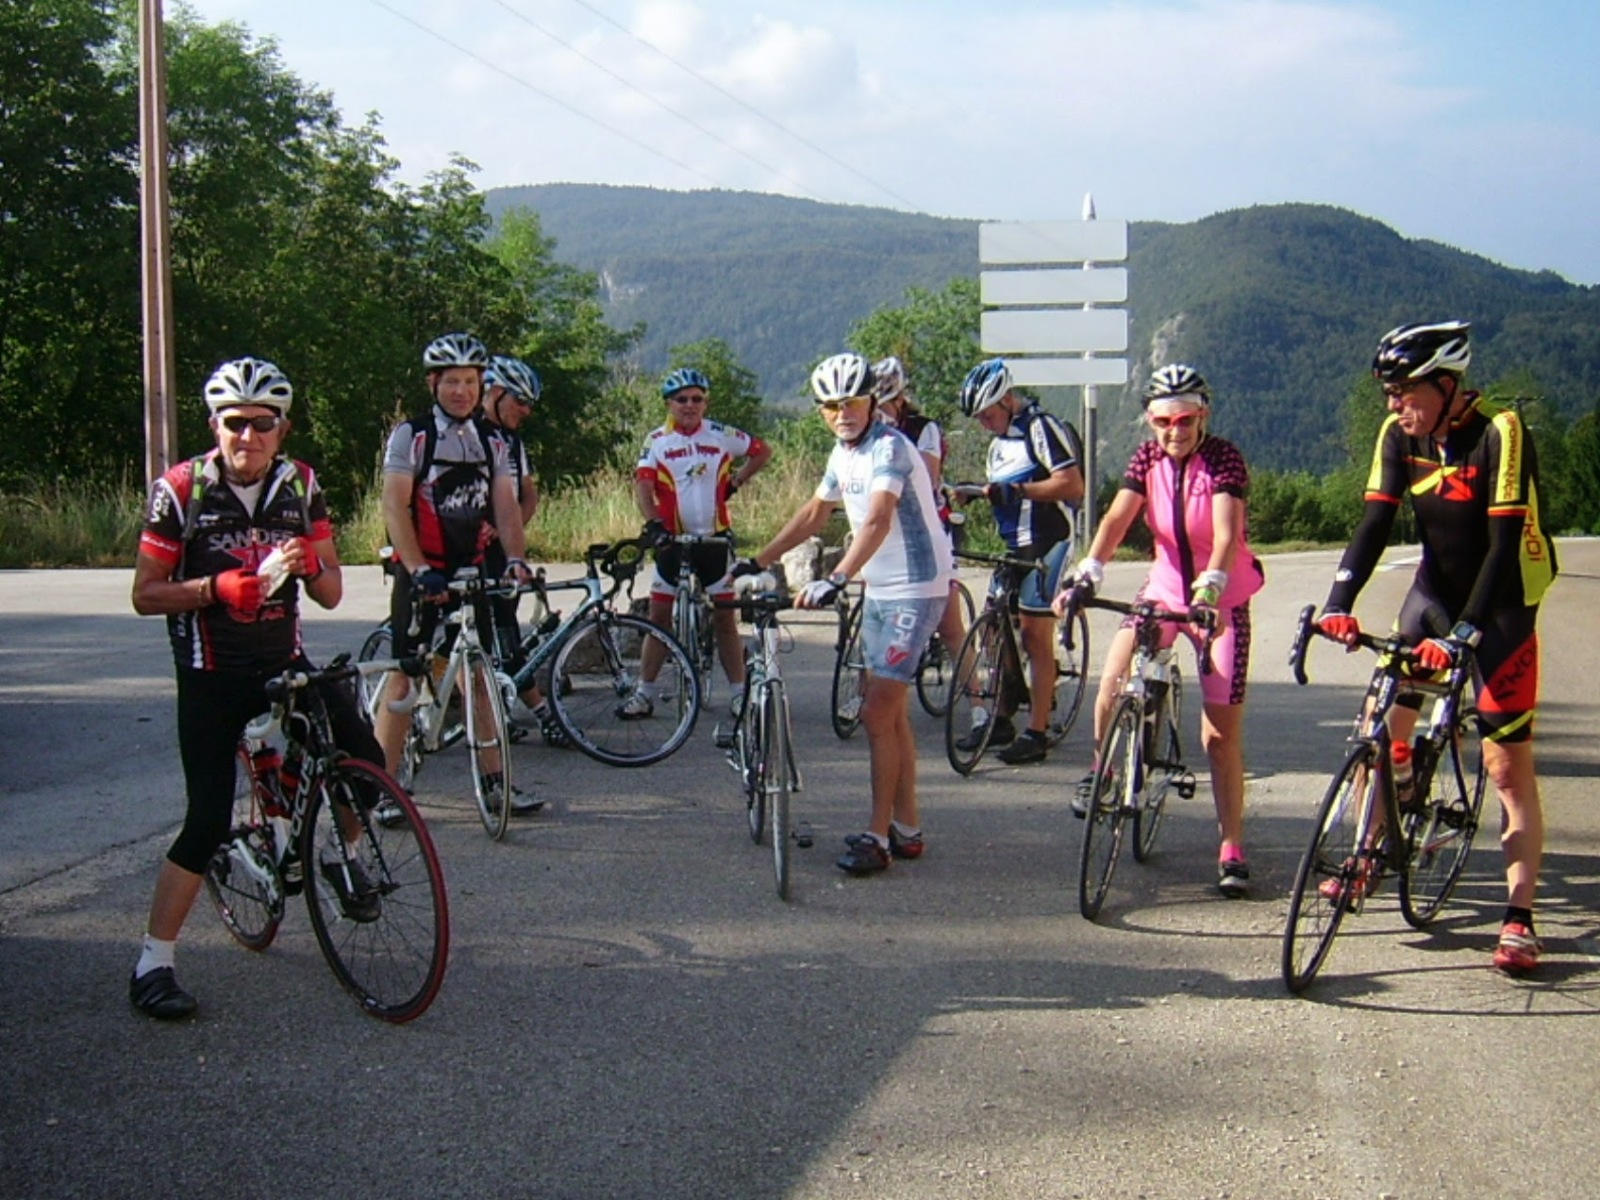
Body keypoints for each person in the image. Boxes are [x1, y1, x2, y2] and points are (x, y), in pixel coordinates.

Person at [129, 358, 380, 1018]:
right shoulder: (180, 489)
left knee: (365, 762)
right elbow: (145, 594)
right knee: (207, 820)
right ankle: (153, 963)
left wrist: (311, 563)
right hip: (211, 674)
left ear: (282, 428)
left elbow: (330, 593)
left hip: (284, 662)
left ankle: (343, 858)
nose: (249, 436)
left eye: (262, 423)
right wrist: (214, 588)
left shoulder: (301, 484)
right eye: (235, 422)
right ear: (215, 425)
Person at [1315, 320, 1557, 973]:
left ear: (1447, 384)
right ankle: (1369, 851)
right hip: (1433, 591)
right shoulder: (1399, 434)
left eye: (1405, 390)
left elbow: (1503, 546)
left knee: (1506, 767)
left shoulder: (1500, 431)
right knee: (1379, 724)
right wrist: (1338, 604)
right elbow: (1375, 523)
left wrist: (1464, 636)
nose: (1394, 403)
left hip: (1503, 602)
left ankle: (1519, 918)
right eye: (1389, 392)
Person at [732, 352, 952, 875]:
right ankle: (907, 827)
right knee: (891, 713)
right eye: (831, 406)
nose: (842, 413)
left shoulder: (890, 447)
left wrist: (836, 577)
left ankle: (877, 838)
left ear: (872, 401)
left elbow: (877, 519)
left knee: (876, 712)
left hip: (916, 587)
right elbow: (816, 512)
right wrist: (758, 559)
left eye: (851, 402)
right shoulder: (843, 451)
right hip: (880, 587)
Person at [1054, 365, 1265, 898]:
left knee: (1219, 736)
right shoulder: (1147, 458)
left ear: (1203, 415)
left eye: (1185, 419)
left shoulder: (1223, 458)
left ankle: (1232, 847)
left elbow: (1226, 535)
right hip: (1165, 590)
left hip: (1220, 600)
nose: (1175, 431)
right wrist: (1088, 571)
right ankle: (1103, 772)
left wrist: (1210, 591)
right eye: (1163, 421)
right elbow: (1115, 521)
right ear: (1151, 421)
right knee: (1112, 681)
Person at [374, 333, 535, 812]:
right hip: (423, 571)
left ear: (481, 384)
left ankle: (496, 784)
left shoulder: (493, 440)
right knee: (404, 680)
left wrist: (516, 559)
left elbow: (507, 506)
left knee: (478, 676)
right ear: (433, 384)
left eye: (469, 381)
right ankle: (382, 789)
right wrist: (418, 569)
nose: (461, 391)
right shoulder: (413, 436)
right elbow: (395, 505)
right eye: (451, 382)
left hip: (471, 570)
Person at [955, 357, 1085, 765]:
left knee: (1034, 635)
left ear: (1007, 399)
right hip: (1014, 545)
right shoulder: (998, 444)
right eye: (978, 417)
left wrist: (1019, 491)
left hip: (1050, 540)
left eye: (987, 414)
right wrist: (976, 492)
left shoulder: (1040, 428)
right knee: (992, 625)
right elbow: (1004, 491)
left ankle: (1037, 732)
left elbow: (1072, 484)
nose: (983, 423)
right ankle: (1003, 714)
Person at [625, 366, 772, 719]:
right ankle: (644, 693)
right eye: (681, 399)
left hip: (713, 540)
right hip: (671, 540)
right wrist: (653, 523)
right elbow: (643, 485)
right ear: (669, 403)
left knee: (724, 617)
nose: (689, 405)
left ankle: (738, 693)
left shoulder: (721, 434)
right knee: (659, 616)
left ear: (705, 403)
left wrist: (737, 481)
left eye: (697, 399)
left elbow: (762, 451)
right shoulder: (656, 440)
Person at [479, 354, 567, 749]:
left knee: (504, 631)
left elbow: (527, 495)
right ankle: (539, 713)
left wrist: (508, 533)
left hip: (501, 553)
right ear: (496, 393)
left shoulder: (513, 441)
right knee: (486, 635)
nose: (526, 411)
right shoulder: (467, 435)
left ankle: (500, 710)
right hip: (465, 553)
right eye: (520, 401)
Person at [873, 355, 968, 674]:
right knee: (872, 625)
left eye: (883, 405)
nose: (877, 413)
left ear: (899, 400)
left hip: (930, 527)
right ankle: (861, 693)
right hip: (887, 529)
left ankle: (977, 698)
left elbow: (927, 478)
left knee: (950, 627)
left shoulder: (923, 429)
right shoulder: (867, 432)